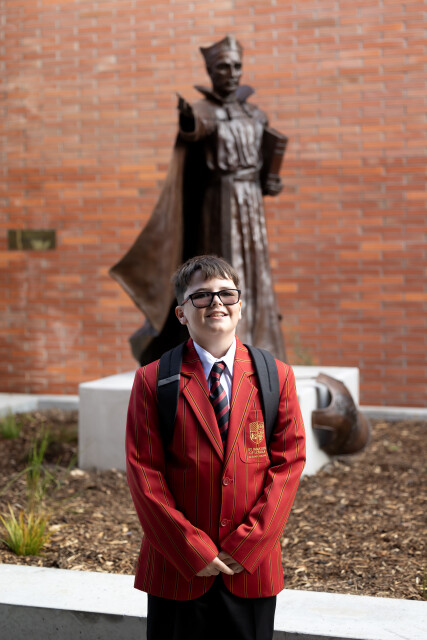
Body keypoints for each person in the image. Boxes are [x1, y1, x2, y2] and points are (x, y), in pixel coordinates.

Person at [126, 255, 306, 640]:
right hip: (178, 568)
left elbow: (288, 465)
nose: (217, 302)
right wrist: (192, 548)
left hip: (250, 568)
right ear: (181, 313)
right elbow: (144, 474)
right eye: (202, 296)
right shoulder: (153, 380)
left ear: (240, 306)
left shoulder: (276, 376)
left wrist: (248, 544)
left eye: (227, 293)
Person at [110, 35, 287, 365]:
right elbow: (194, 128)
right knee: (222, 270)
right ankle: (221, 348)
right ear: (210, 71)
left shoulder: (255, 114)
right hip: (218, 206)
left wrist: (270, 181)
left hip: (252, 205)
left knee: (256, 276)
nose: (231, 73)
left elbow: (263, 166)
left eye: (236, 66)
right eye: (223, 67)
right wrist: (187, 119)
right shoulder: (203, 111)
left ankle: (259, 349)